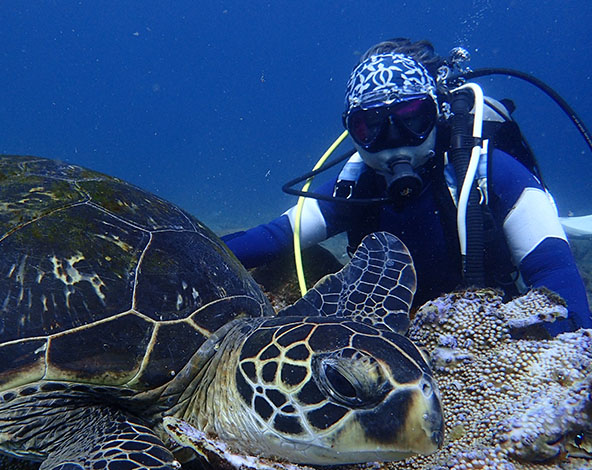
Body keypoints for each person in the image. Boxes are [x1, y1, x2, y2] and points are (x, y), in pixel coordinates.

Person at [222, 39, 592, 333]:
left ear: (437, 113)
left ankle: (561, 217)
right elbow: (274, 237)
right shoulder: (356, 184)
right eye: (371, 128)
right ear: (352, 132)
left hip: (488, 324)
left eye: (412, 119)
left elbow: (554, 276)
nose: (396, 142)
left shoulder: (489, 171)